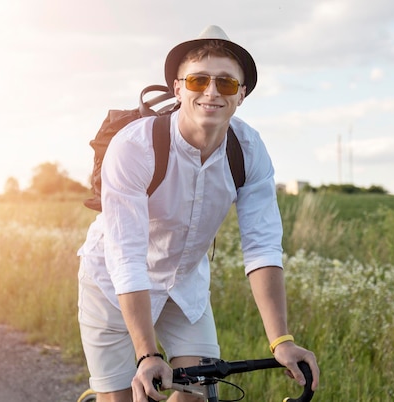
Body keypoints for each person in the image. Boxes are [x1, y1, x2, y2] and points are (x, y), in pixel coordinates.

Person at [77, 25, 320, 402]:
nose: (210, 92)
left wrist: (281, 341)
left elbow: (262, 248)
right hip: (113, 285)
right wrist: (147, 353)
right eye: (198, 80)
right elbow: (126, 257)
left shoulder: (249, 150)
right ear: (178, 88)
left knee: (196, 395)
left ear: (241, 95)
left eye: (225, 83)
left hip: (183, 286)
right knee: (126, 398)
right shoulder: (135, 146)